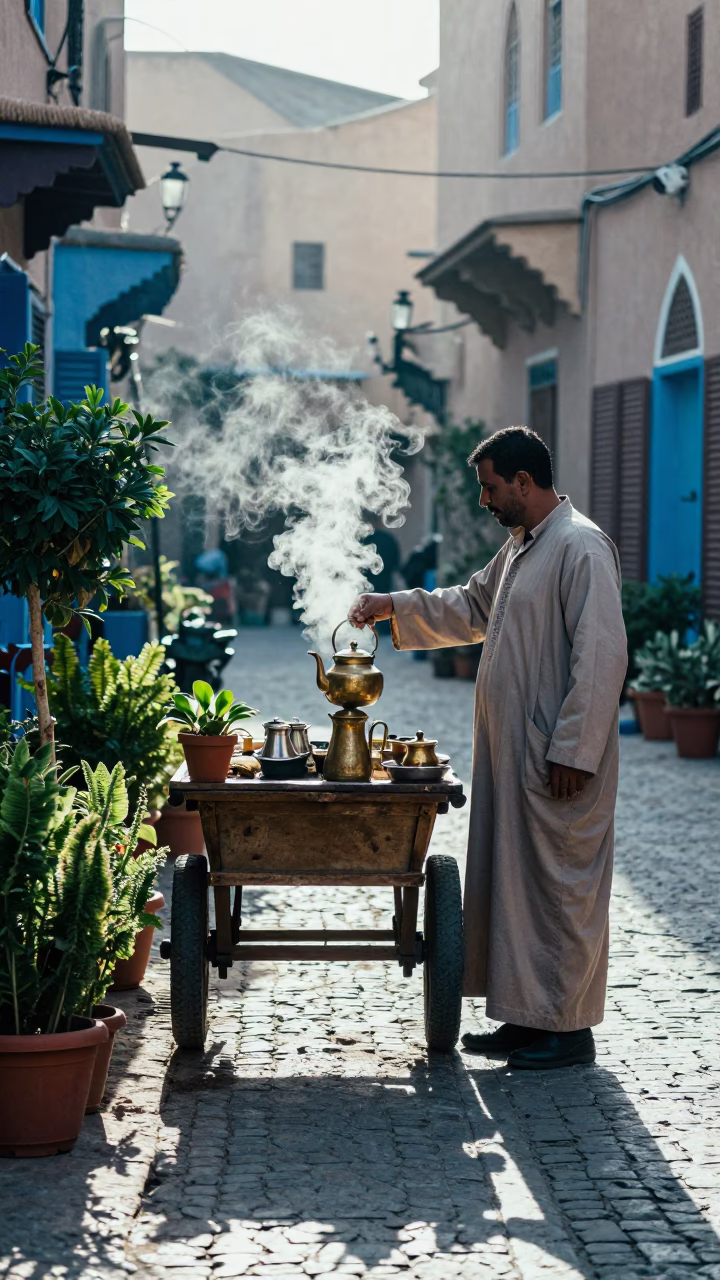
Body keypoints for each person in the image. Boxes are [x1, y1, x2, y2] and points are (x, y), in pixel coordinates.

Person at [349, 426, 627, 1070]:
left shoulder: (581, 547)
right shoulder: (522, 546)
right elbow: (473, 604)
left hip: (556, 760)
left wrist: (574, 750)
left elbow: (602, 656)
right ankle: (525, 1017)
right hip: (514, 755)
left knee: (558, 887)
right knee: (513, 885)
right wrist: (394, 604)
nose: (486, 500)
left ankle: (566, 1031)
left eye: (491, 487)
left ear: (524, 483)